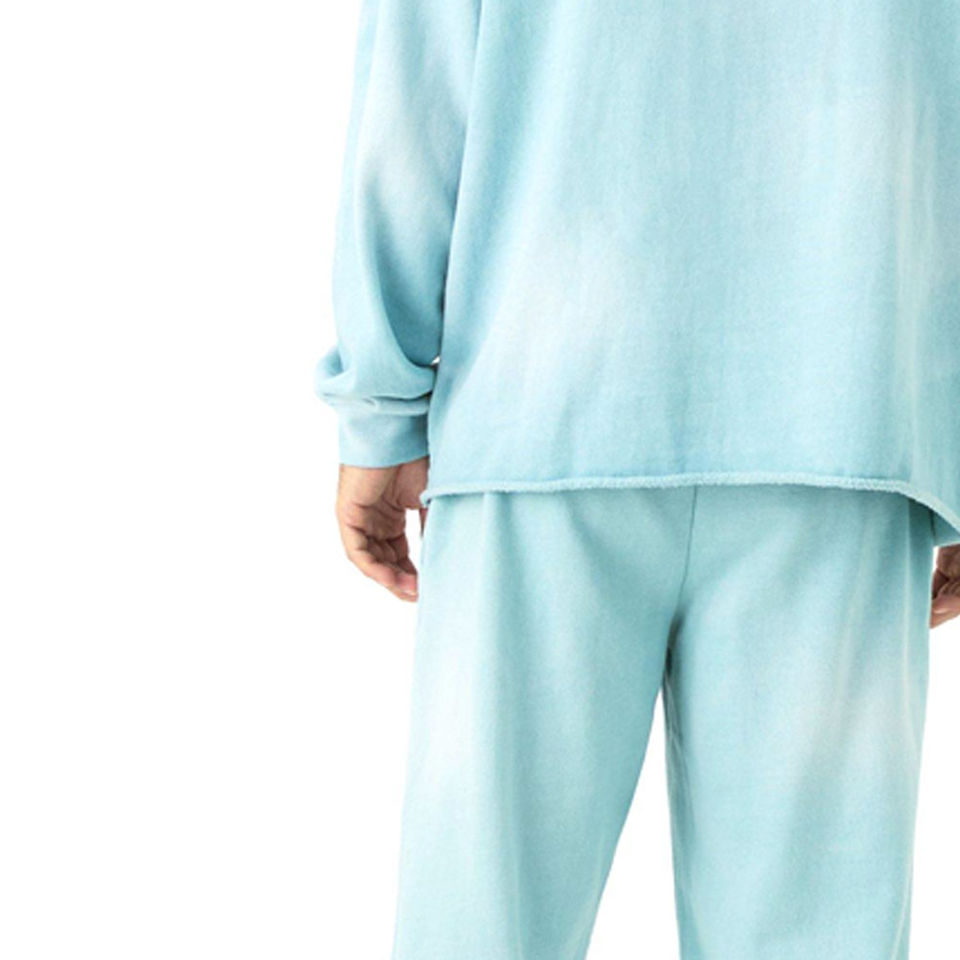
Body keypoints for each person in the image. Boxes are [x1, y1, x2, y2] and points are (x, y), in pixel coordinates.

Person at [316, 1, 960, 957]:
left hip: (544, 413)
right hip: (846, 421)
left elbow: (417, 97)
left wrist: (380, 406)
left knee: (480, 925)